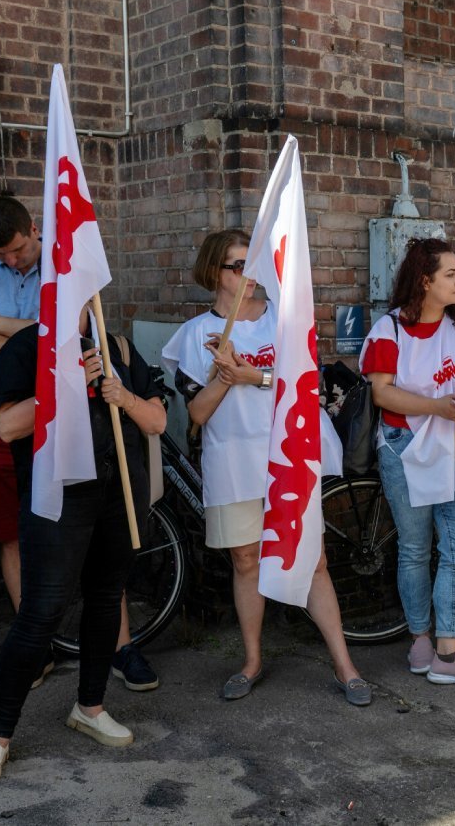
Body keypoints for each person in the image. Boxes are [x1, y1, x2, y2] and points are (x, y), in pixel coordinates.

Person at [160, 229, 370, 706]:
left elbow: (309, 384)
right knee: (246, 560)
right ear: (216, 272)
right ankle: (252, 660)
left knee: (312, 559)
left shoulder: (283, 319)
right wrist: (225, 374)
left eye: (252, 266)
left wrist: (252, 375)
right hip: (233, 458)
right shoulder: (195, 334)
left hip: (290, 453)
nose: (249, 275)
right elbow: (196, 413)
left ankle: (345, 664)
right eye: (238, 266)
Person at [0, 196, 157, 693]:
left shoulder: (67, 266)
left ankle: (119, 646)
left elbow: (83, 328)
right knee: (15, 536)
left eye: (18, 249)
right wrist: (42, 336)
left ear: (34, 229)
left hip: (84, 424)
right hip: (3, 420)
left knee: (103, 538)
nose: (10, 260)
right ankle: (39, 644)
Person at [0, 304, 166, 787]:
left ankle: (90, 707)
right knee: (40, 613)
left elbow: (156, 420)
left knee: (104, 601)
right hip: (57, 500)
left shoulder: (115, 347)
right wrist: (67, 384)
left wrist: (124, 397)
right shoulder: (25, 348)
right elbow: (9, 425)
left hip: (119, 495)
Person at [361, 237, 455, 690]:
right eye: (451, 275)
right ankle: (419, 635)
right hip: (407, 446)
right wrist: (436, 406)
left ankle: (449, 653)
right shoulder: (390, 330)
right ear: (425, 280)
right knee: (415, 549)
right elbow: (381, 392)